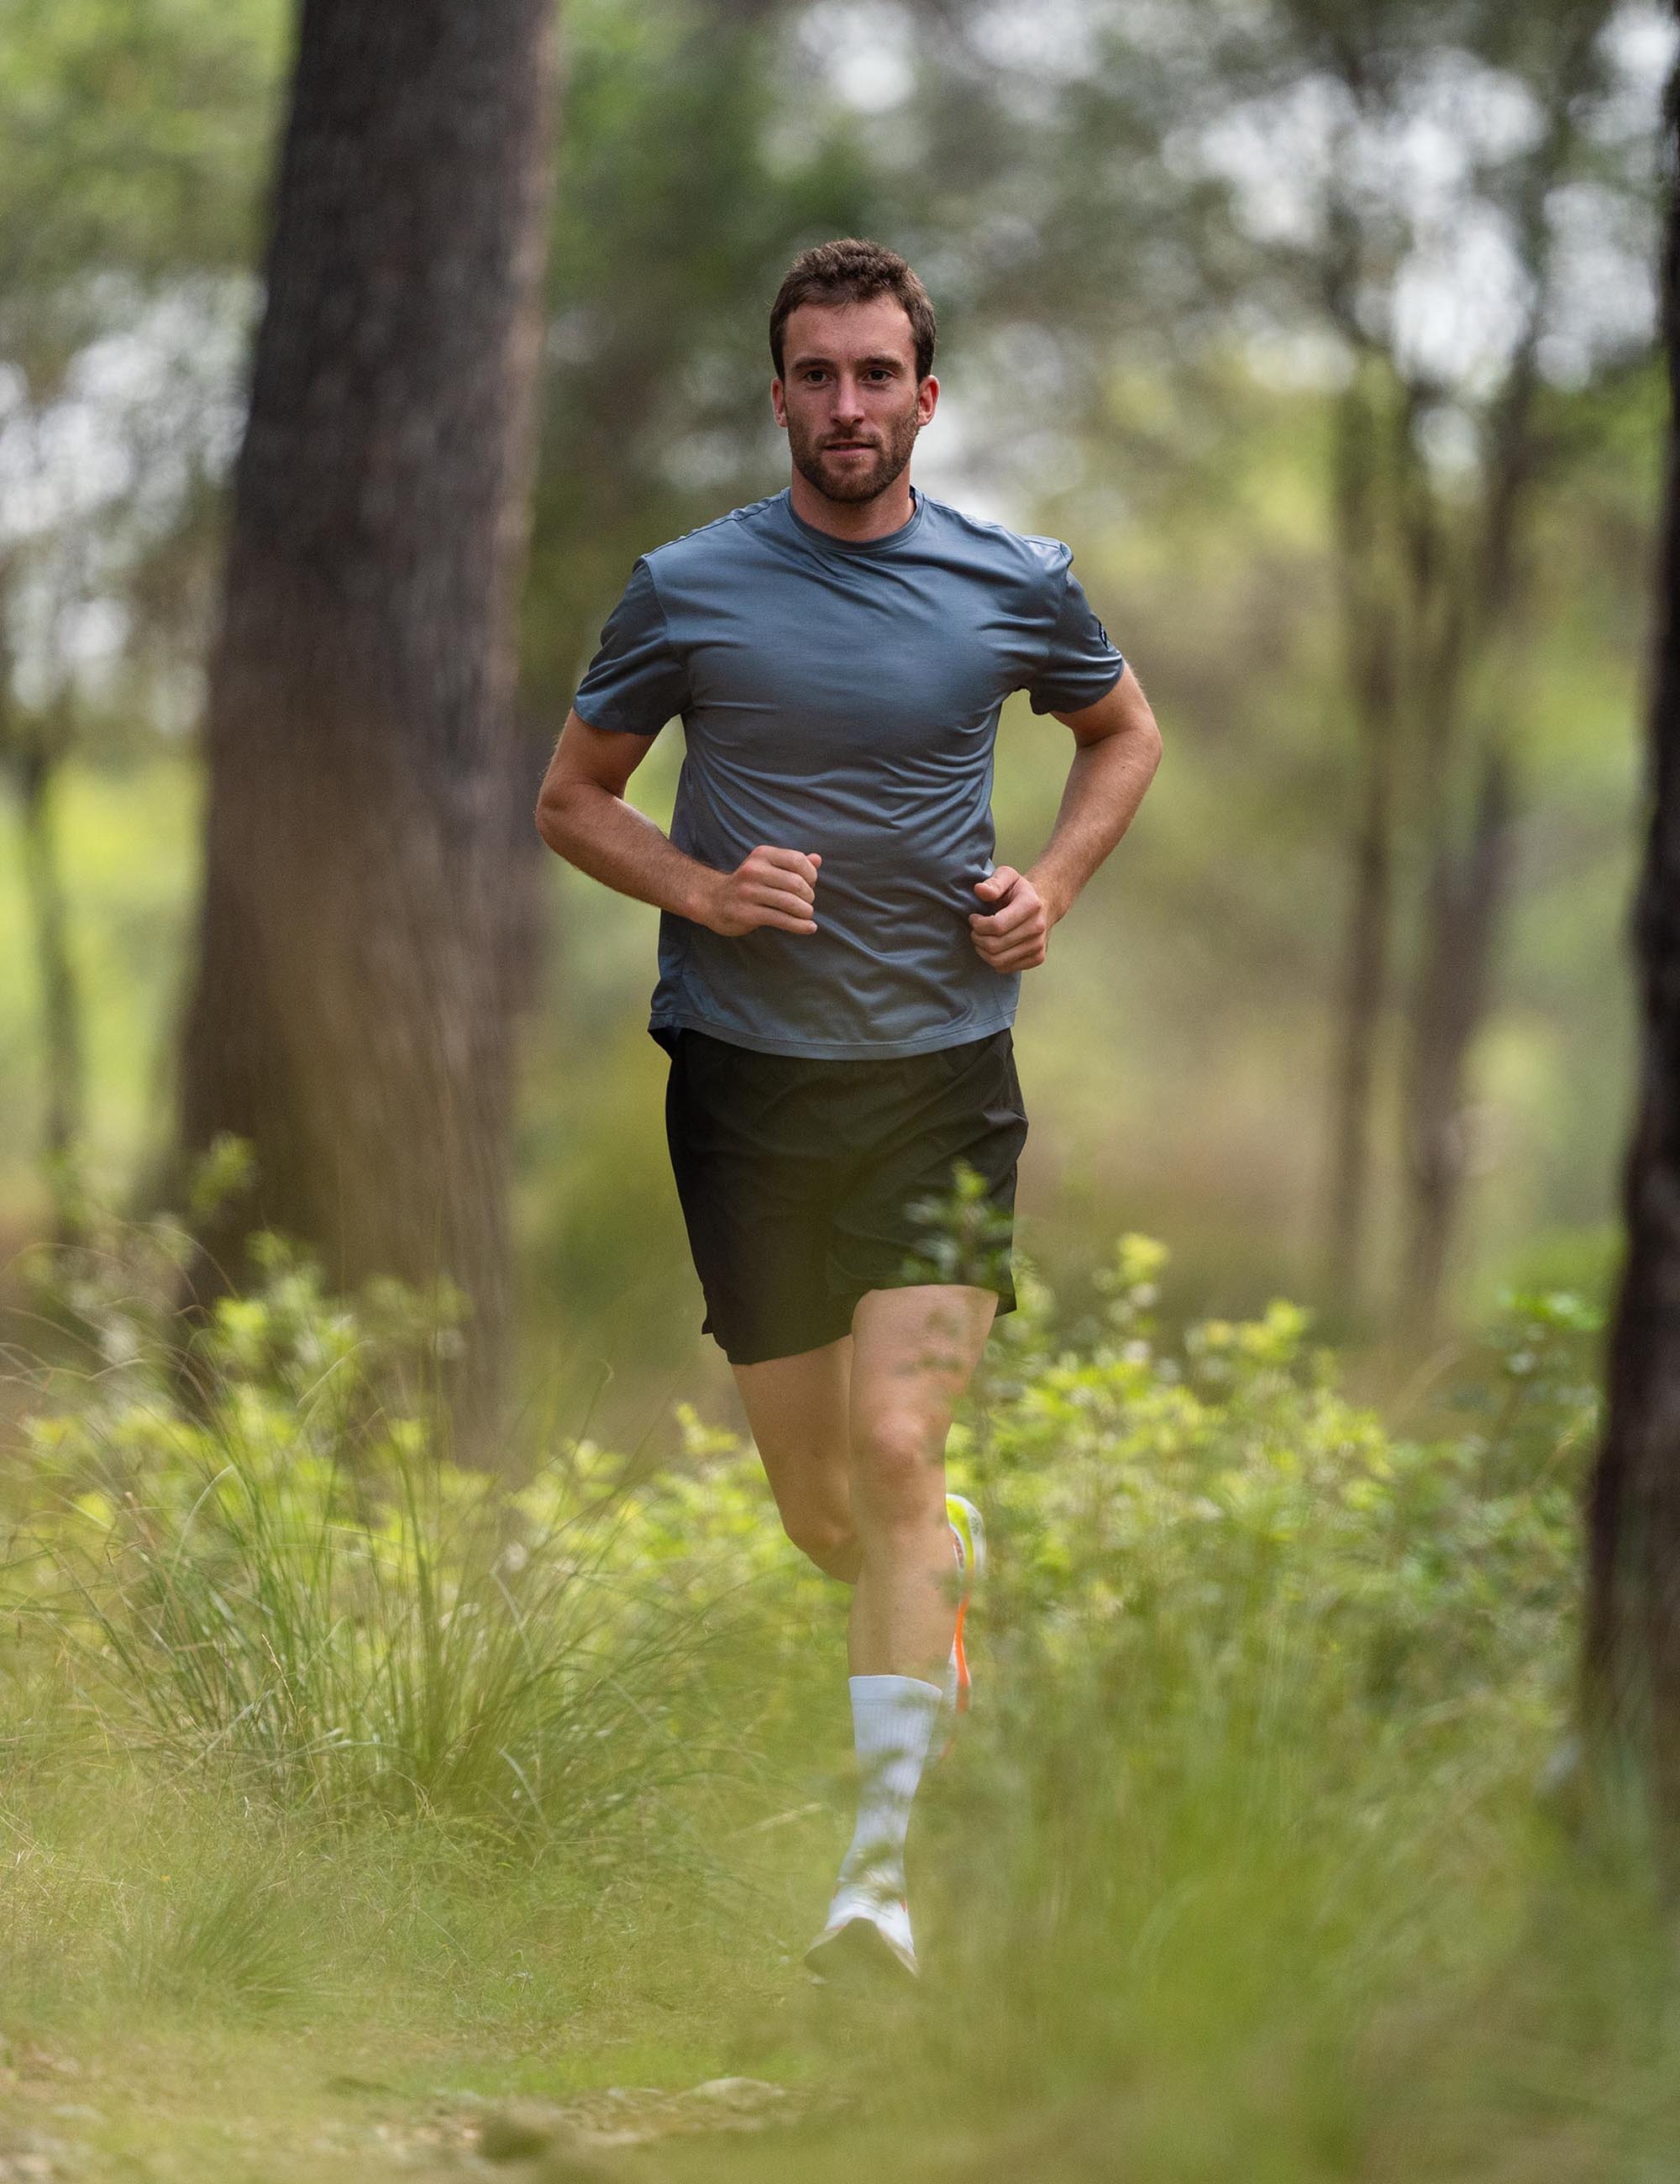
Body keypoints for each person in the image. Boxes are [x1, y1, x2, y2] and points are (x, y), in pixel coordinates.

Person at [534, 237, 1161, 1982]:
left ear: (925, 395)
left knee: (896, 1451)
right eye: (815, 373)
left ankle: (873, 1886)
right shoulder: (684, 588)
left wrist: (1051, 886)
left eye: (877, 373)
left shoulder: (1015, 581)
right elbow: (573, 802)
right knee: (826, 1508)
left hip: (939, 1081)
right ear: (780, 392)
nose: (846, 404)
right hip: (741, 1084)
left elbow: (1123, 739)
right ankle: (929, 1566)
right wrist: (706, 889)